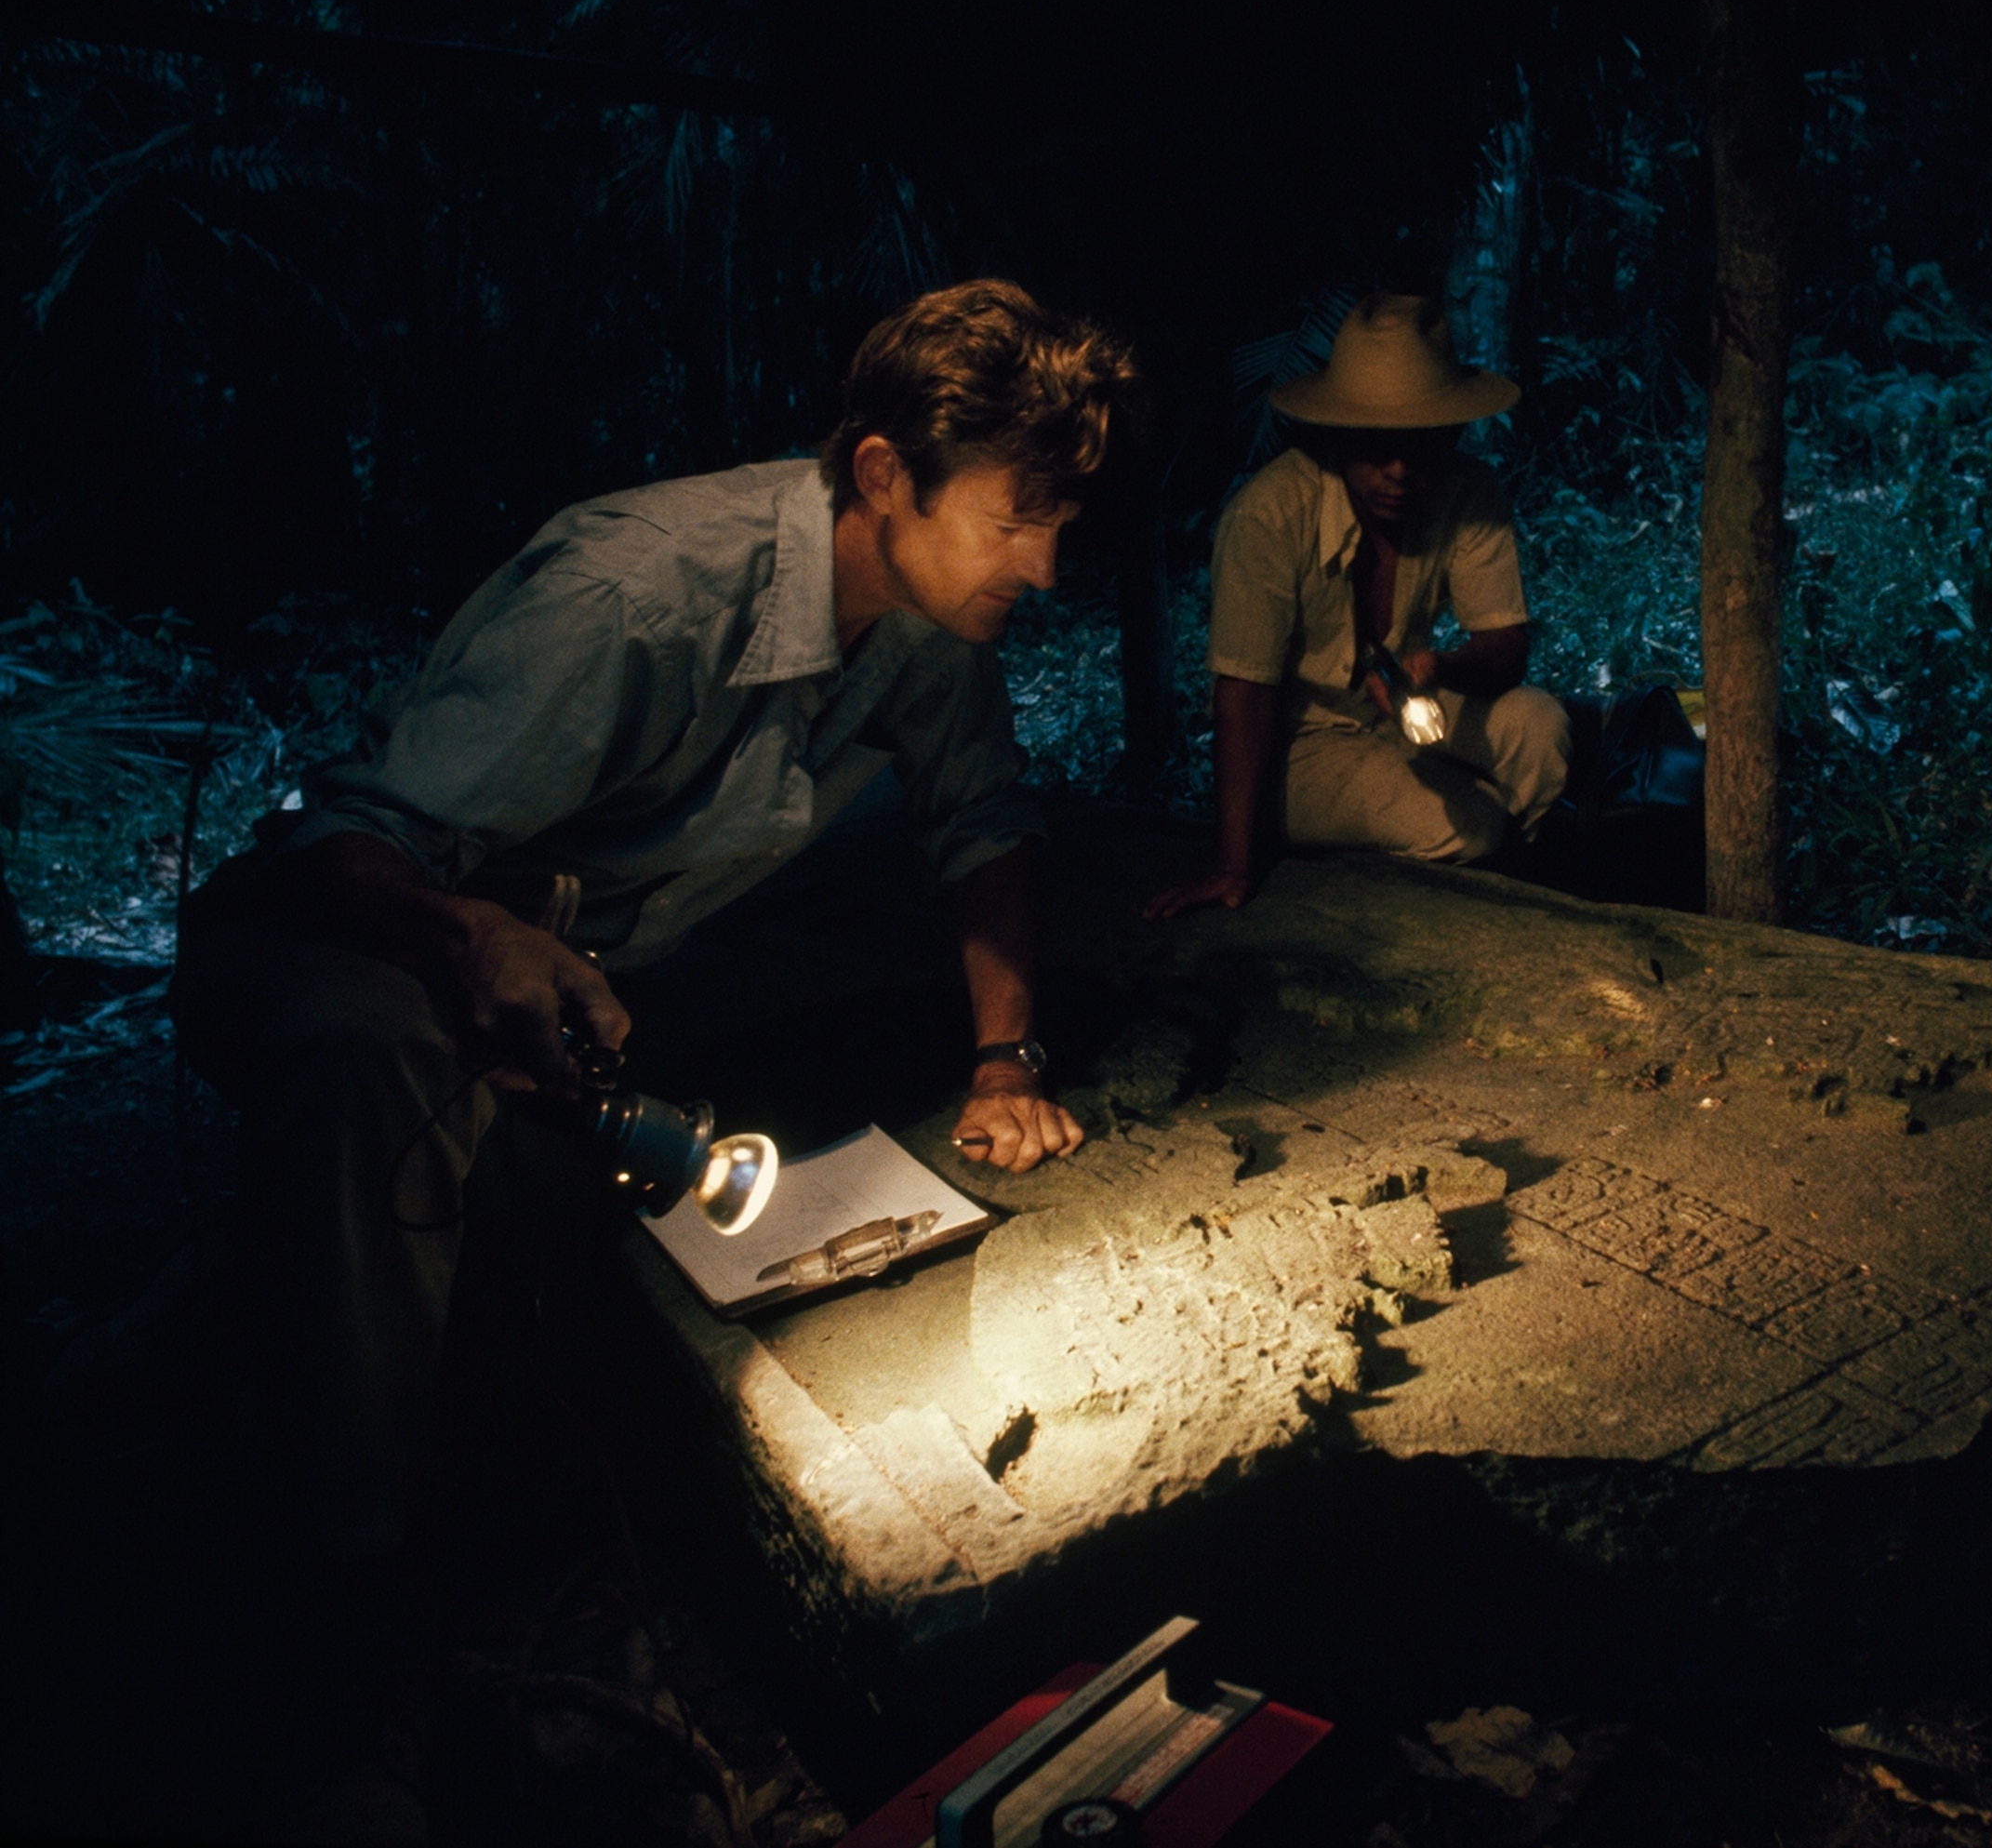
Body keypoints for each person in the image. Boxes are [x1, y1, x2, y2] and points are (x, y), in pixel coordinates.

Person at [172, 278, 1132, 1549]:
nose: (1047, 566)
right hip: (350, 931)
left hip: (576, 971)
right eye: (1017, 518)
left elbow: (984, 820)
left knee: (607, 1195)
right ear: (888, 474)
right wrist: (474, 942)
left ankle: (257, 1321)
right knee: (380, 1067)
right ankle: (337, 1565)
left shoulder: (930, 626)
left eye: (1060, 520)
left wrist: (1004, 1058)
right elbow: (341, 844)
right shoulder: (633, 594)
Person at [1147, 294, 1568, 917]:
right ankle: (1487, 872)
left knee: (1540, 725)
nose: (1399, 470)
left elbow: (1508, 648)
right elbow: (1243, 693)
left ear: (1450, 432)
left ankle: (1531, 894)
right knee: (1470, 823)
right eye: (1377, 446)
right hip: (1304, 746)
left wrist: (1442, 667)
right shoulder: (1270, 514)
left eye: (1419, 444)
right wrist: (1234, 864)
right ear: (1337, 434)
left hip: (1404, 703)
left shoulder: (1469, 492)